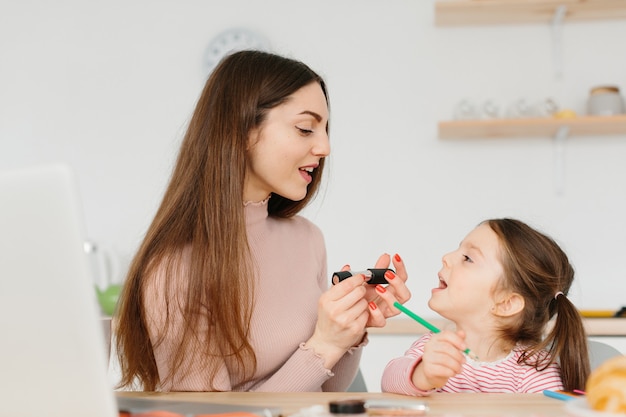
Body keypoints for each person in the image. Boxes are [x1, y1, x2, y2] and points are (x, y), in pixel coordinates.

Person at [114, 50, 411, 392]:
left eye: (325, 129)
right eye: (305, 128)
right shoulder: (175, 270)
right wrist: (324, 344)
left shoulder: (308, 240)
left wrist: (350, 328)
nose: (325, 147)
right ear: (242, 131)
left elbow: (328, 396)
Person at [382, 218, 590, 395]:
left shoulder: (532, 369)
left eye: (468, 258)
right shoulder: (434, 347)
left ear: (506, 303)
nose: (446, 257)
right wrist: (423, 374)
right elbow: (389, 382)